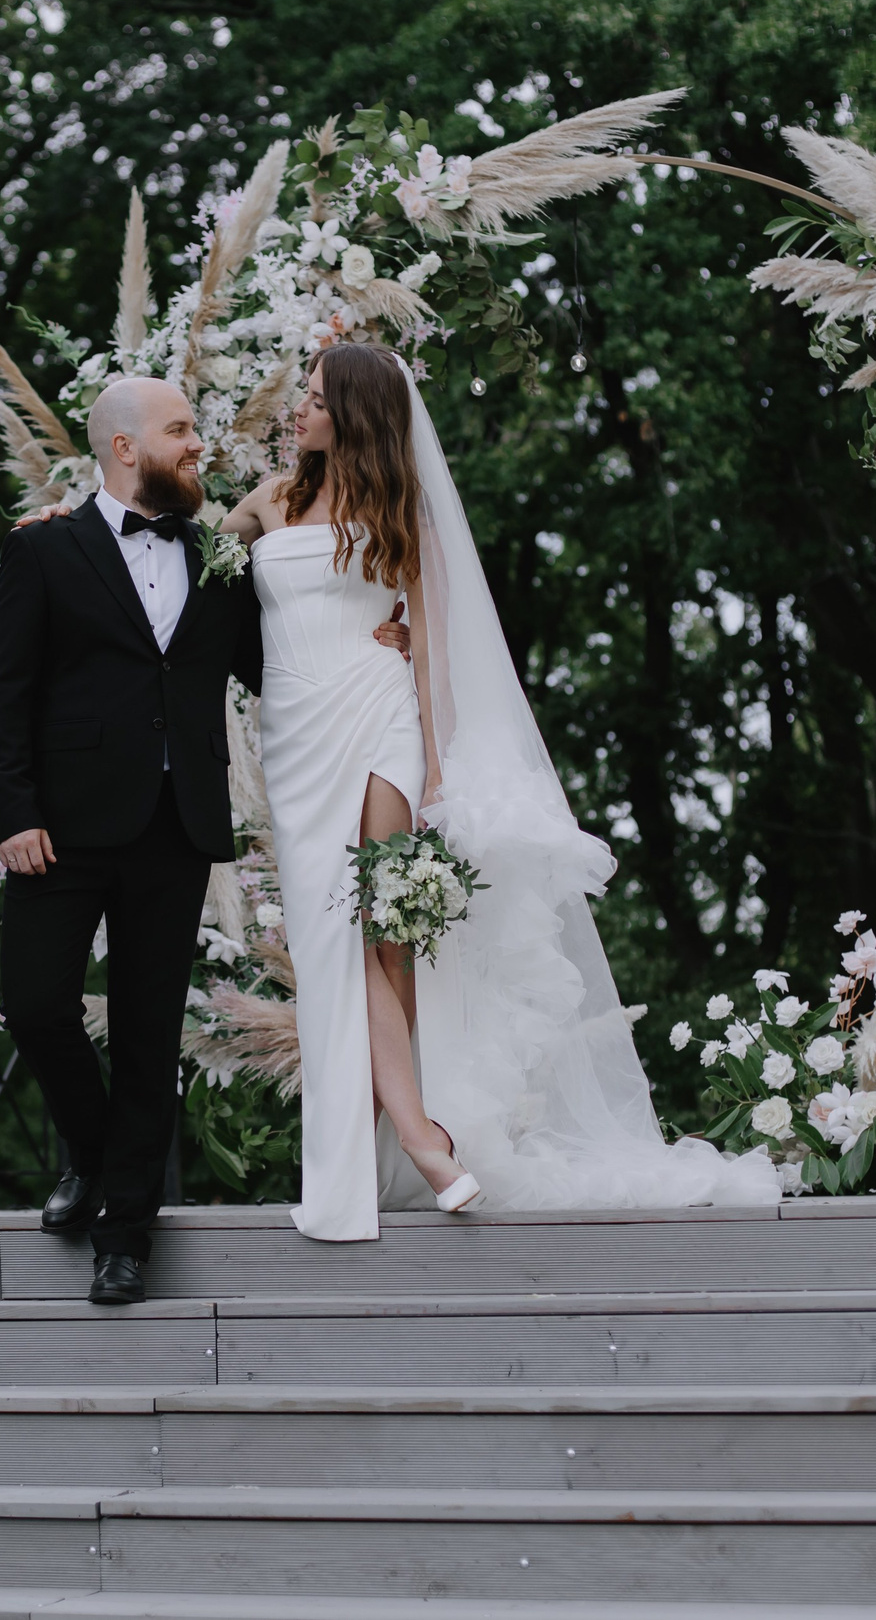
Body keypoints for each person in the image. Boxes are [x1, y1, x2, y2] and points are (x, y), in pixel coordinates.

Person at [219, 343, 776, 1240]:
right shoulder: (266, 502)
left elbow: (434, 650)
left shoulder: (400, 512)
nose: (300, 410)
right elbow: (185, 567)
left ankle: (415, 1141)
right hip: (295, 742)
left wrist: (438, 775)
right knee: (330, 942)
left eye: (315, 398)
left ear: (354, 414)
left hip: (380, 720)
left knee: (380, 937)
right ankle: (410, 1140)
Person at [0, 376, 410, 1301]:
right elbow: (3, 693)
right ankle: (92, 1152)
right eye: (180, 430)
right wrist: (14, 815)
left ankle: (124, 1239)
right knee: (36, 1005)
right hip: (59, 829)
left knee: (148, 1034)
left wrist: (381, 644)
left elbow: (281, 656)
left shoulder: (219, 560)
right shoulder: (44, 548)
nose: (198, 443)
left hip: (175, 827)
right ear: (124, 447)